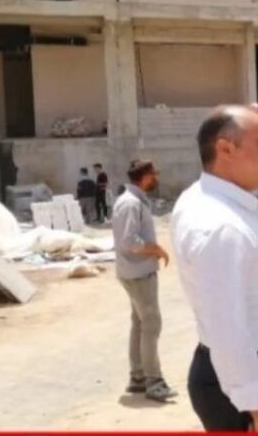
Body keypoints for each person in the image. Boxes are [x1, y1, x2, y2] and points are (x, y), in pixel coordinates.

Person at [171, 105, 258, 436]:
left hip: (245, 376)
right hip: (244, 387)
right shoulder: (220, 226)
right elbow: (226, 327)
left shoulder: (209, 198)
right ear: (225, 150)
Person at [112, 159, 176, 402]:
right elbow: (129, 240)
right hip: (138, 273)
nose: (157, 178)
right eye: (155, 174)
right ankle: (154, 382)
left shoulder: (131, 200)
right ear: (147, 176)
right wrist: (155, 249)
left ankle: (138, 377)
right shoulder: (130, 203)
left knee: (139, 323)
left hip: (133, 271)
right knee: (151, 324)